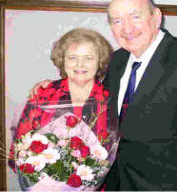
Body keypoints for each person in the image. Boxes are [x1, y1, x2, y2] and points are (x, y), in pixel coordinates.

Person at [29, 0, 177, 190]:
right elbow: (93, 101)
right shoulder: (118, 60)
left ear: (156, 17)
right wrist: (52, 87)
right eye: (117, 21)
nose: (127, 28)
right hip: (116, 183)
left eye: (135, 17)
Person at [9, 28, 114, 174]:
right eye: (72, 57)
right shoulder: (44, 95)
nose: (80, 64)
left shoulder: (110, 100)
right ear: (62, 60)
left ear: (99, 61)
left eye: (88, 58)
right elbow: (19, 148)